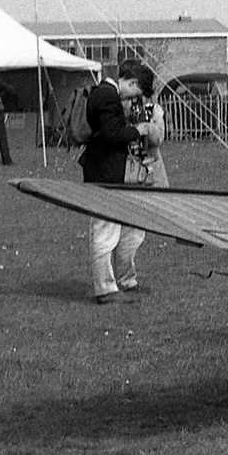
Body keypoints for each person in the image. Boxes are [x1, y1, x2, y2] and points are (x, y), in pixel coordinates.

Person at [82, 60, 160, 304]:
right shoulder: (107, 97)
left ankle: (123, 281)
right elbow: (112, 135)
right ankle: (105, 288)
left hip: (107, 171)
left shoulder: (102, 93)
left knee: (123, 228)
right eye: (135, 93)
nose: (132, 99)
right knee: (105, 230)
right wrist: (140, 129)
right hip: (106, 172)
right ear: (132, 82)